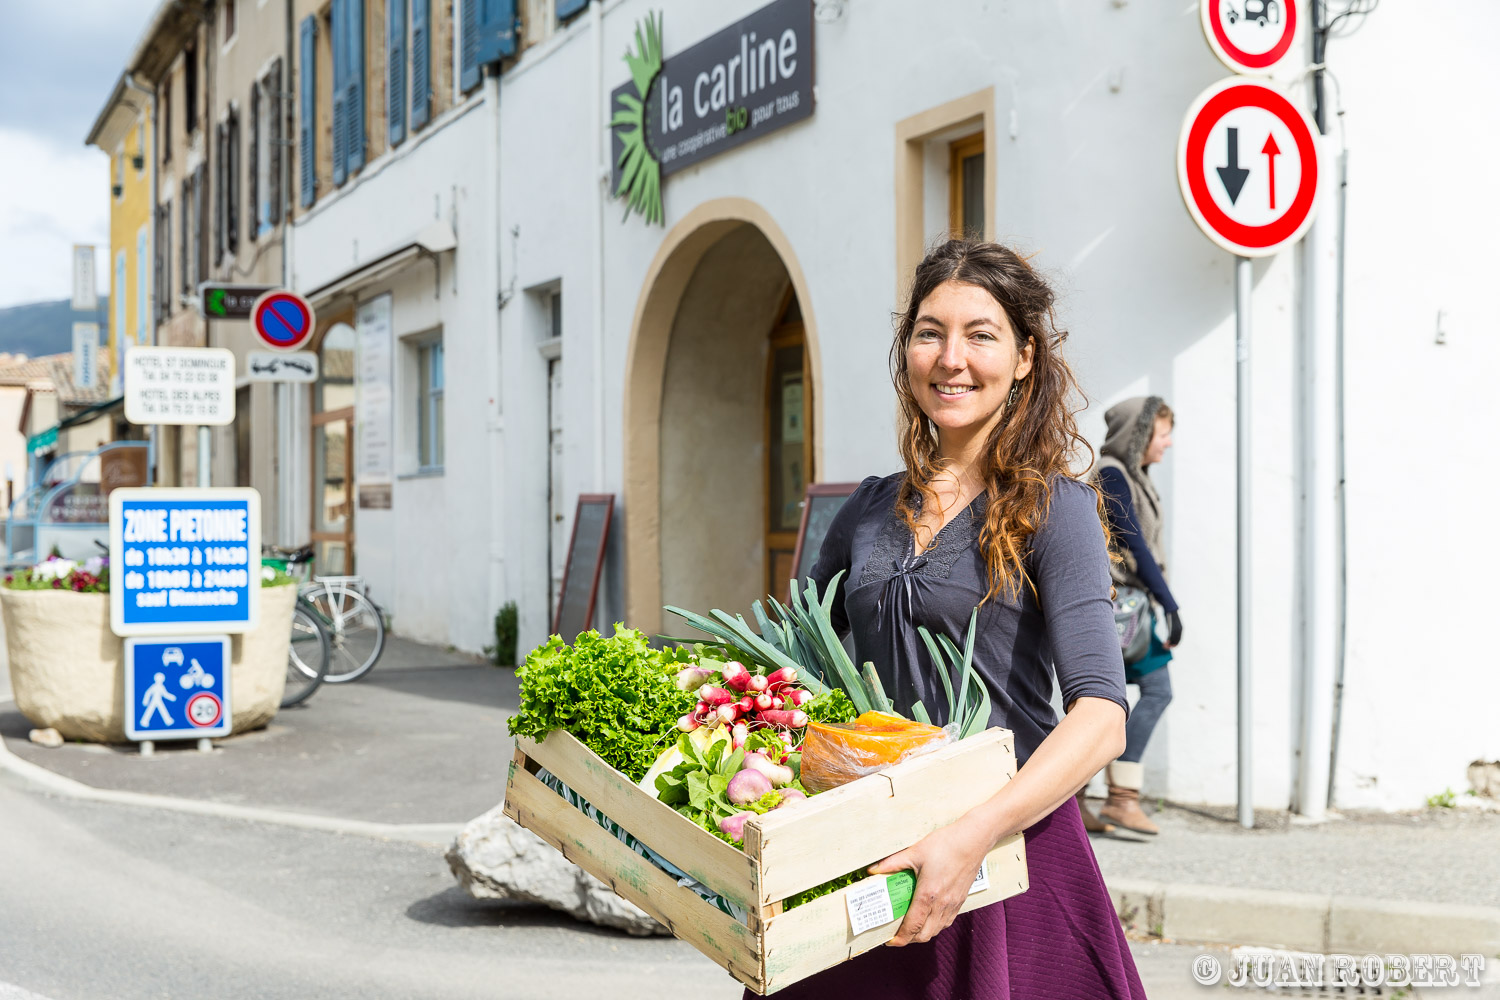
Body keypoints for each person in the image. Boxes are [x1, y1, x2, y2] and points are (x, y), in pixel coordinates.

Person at [757, 239, 1145, 999]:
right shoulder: (869, 508)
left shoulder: (1055, 509)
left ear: (1025, 358)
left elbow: (1102, 717)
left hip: (1002, 857)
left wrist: (972, 836)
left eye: (981, 334)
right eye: (930, 333)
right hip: (866, 849)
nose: (951, 359)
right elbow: (789, 673)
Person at [1089, 396, 1180, 836]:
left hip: (1130, 609)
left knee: (1097, 702)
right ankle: (1120, 798)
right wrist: (1170, 603)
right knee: (1150, 691)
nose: (1168, 443)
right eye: (1162, 434)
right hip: (1119, 609)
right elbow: (1135, 544)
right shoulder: (1112, 474)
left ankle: (1077, 798)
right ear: (1138, 434)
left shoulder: (1133, 476)